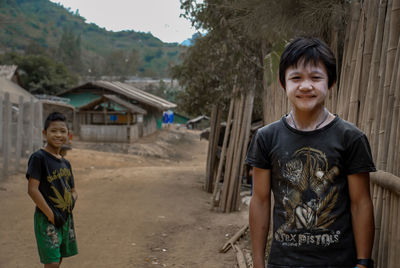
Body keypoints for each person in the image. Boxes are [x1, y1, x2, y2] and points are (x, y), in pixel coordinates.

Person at [245, 37, 375, 268]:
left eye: (316, 77)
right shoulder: (266, 138)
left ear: (331, 82)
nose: (306, 86)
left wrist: (363, 262)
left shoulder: (351, 138)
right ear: (283, 83)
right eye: (296, 78)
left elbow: (361, 203)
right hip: (283, 263)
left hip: (338, 262)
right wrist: (257, 263)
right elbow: (261, 201)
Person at [26, 112, 78, 267]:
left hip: (64, 217)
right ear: (44, 133)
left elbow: (74, 190)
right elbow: (32, 189)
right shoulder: (39, 158)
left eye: (62, 131)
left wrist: (70, 204)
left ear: (69, 135)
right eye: (53, 131)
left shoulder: (66, 163)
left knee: (59, 258)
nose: (58, 135)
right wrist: (51, 215)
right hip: (47, 218)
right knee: (52, 263)